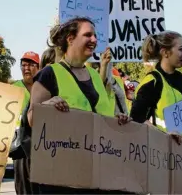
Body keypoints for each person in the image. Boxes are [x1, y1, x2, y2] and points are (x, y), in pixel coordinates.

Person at [28, 18, 130, 194]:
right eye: (88, 35)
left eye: (95, 36)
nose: (94, 40)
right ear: (70, 39)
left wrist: (117, 120)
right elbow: (31, 118)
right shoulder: (49, 74)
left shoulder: (94, 75)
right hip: (63, 180)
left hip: (97, 174)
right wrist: (46, 106)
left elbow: (100, 115)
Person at [130, 31, 182, 142]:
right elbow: (136, 118)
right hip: (163, 150)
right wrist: (164, 135)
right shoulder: (153, 81)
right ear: (165, 52)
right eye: (180, 49)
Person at [11, 51, 40, 195]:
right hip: (21, 148)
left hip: (41, 147)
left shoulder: (43, 87)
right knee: (23, 190)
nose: (26, 68)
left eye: (30, 65)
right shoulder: (13, 88)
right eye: (23, 65)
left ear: (38, 67)